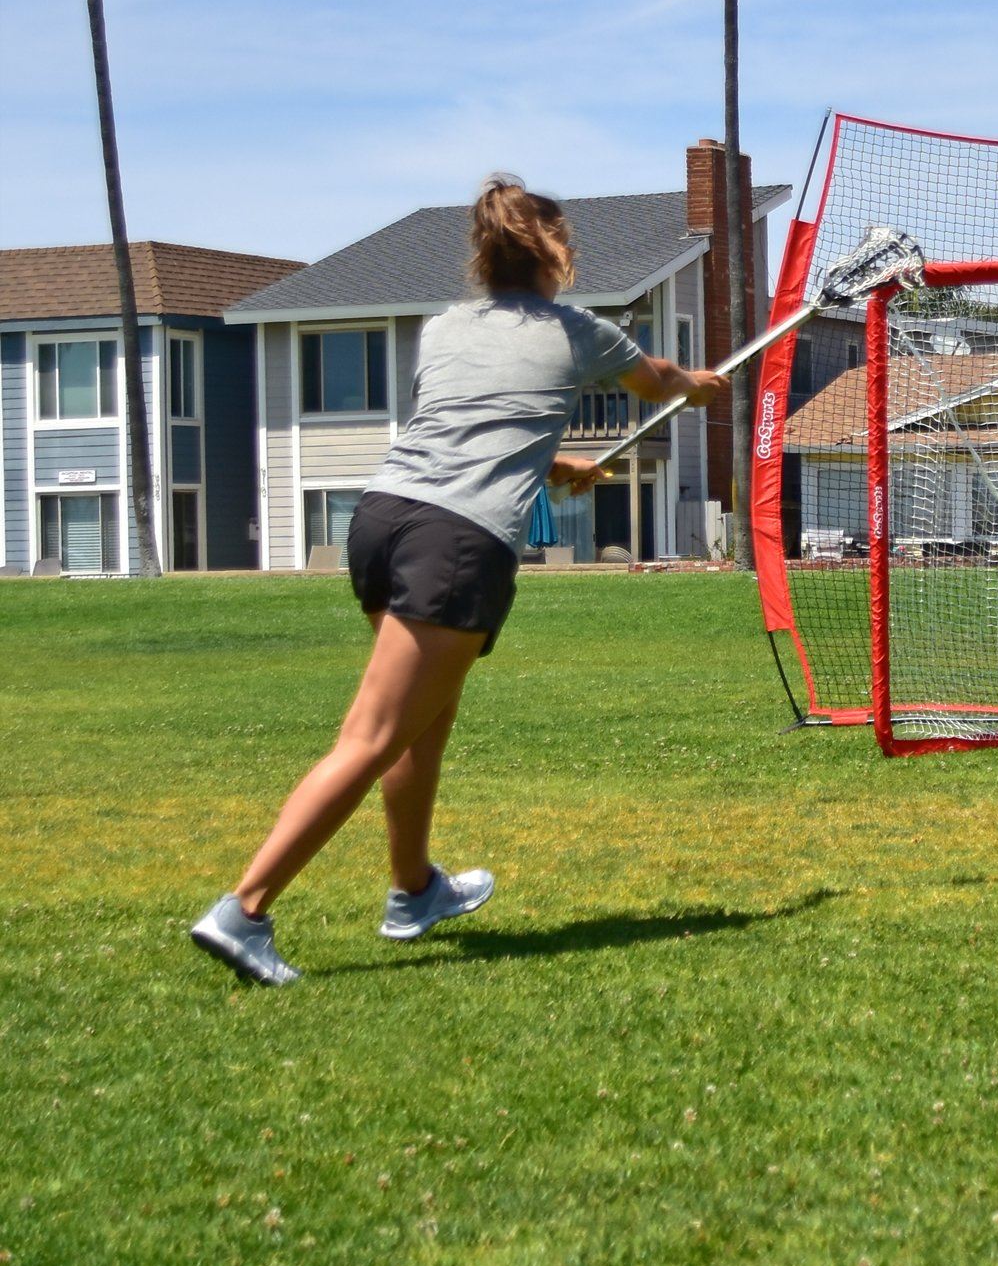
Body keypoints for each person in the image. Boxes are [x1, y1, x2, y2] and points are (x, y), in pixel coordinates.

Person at [190, 174, 726, 985]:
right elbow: (655, 380)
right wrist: (696, 385)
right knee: (373, 736)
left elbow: (470, 427)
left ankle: (413, 891)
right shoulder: (582, 331)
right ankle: (246, 909)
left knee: (421, 723)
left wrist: (554, 462)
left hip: (382, 519)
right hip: (457, 540)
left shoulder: (441, 330)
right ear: (558, 257)